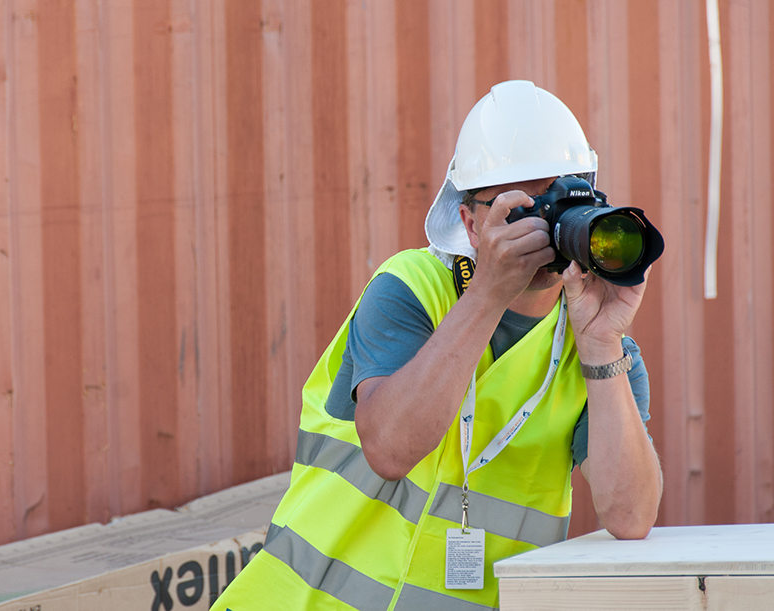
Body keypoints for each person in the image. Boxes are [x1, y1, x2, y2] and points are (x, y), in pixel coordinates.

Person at [212, 80, 662, 610]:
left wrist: (603, 344)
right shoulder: (410, 288)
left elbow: (630, 518)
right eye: (523, 208)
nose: (546, 225)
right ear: (470, 223)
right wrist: (488, 294)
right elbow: (390, 448)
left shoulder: (600, 349)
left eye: (559, 200)